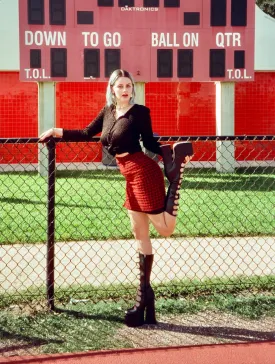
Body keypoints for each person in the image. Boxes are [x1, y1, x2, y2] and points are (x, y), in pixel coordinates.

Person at [39, 69, 193, 328]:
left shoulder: (140, 113)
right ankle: (144, 299)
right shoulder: (108, 112)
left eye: (128, 85)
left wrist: (173, 154)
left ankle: (176, 182)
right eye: (120, 85)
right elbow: (87, 132)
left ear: (132, 89)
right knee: (139, 235)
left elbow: (150, 143)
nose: (125, 89)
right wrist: (55, 131)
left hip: (144, 172)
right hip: (128, 176)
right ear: (112, 89)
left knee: (165, 229)